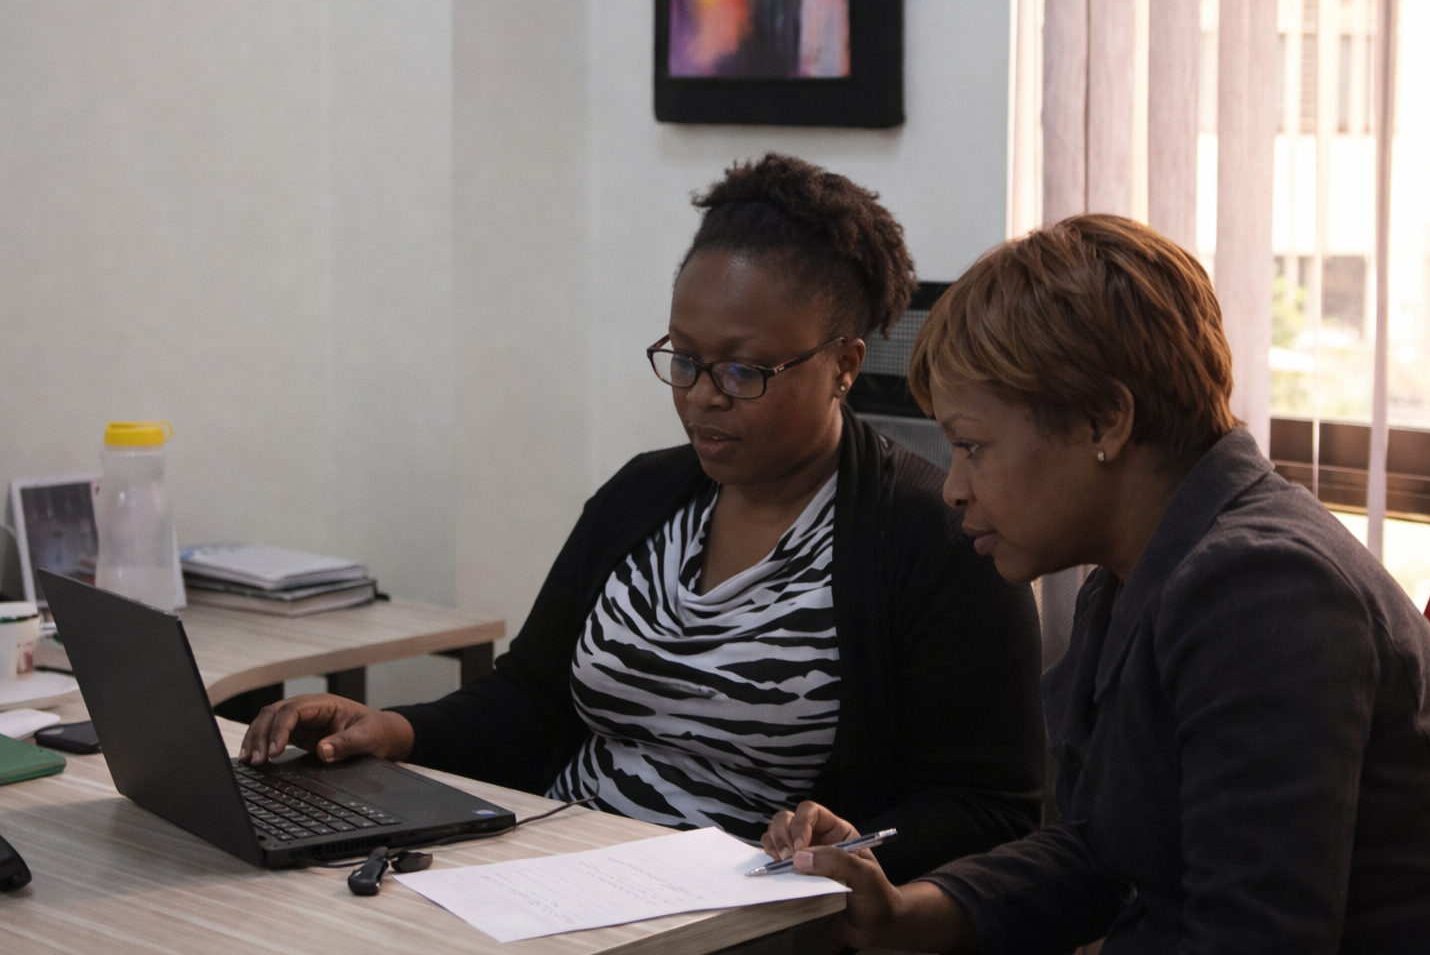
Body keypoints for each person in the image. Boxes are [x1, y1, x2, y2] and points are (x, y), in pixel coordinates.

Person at [240, 154, 1046, 882]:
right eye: (685, 359)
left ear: (843, 364)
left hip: (744, 913)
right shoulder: (645, 495)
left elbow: (989, 808)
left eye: (743, 370)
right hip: (552, 873)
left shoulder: (933, 538)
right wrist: (391, 729)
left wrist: (846, 849)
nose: (701, 396)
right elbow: (532, 700)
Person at [765, 214, 1430, 952]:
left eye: (972, 447)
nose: (953, 487)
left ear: (1105, 421)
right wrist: (906, 911)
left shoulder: (1266, 590)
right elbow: (1107, 851)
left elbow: (1255, 937)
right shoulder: (1139, 569)